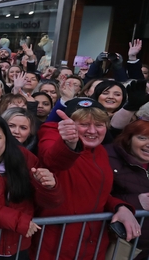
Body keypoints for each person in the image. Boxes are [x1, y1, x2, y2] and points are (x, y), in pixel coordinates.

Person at [35, 97, 141, 260]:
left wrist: (120, 207)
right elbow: (53, 160)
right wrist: (69, 144)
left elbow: (96, 193)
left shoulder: (101, 152)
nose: (92, 131)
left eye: (99, 125)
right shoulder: (52, 136)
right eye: (83, 124)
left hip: (92, 245)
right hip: (57, 247)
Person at [0, 115, 60, 259]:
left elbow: (49, 203)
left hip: (19, 246)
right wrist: (18, 220)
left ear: (6, 139)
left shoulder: (24, 158)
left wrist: (49, 187)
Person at [107, 119, 149, 257]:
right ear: (129, 138)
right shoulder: (109, 157)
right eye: (142, 138)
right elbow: (97, 197)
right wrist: (137, 202)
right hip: (123, 244)